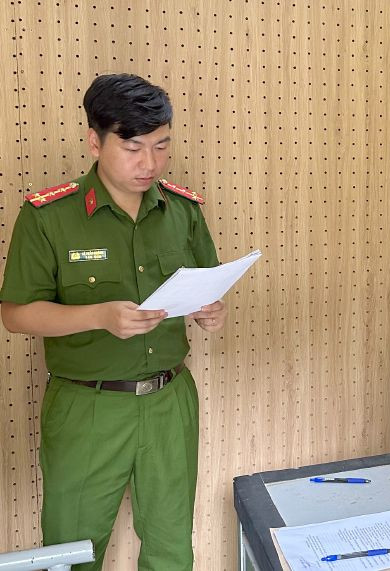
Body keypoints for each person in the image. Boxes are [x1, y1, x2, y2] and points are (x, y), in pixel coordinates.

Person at [0, 73, 227, 570]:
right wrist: (99, 316)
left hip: (170, 401)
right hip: (88, 406)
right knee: (72, 550)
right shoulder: (48, 216)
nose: (150, 163)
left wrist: (210, 310)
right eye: (133, 148)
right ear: (94, 141)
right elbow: (15, 315)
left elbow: (206, 283)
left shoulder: (182, 210)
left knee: (171, 547)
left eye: (162, 146)